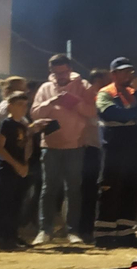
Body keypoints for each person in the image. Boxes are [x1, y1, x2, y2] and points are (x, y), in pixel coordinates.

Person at [30, 54, 97, 245]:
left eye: (63, 72)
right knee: (48, 189)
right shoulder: (45, 88)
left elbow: (92, 111)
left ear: (69, 69)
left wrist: (74, 102)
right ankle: (45, 230)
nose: (60, 76)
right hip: (50, 146)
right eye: (56, 72)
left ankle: (72, 231)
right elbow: (34, 113)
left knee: (73, 189)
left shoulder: (82, 85)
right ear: (51, 71)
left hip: (75, 145)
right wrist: (50, 103)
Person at [95, 57, 137, 248]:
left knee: (131, 190)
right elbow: (111, 113)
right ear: (114, 74)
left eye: (130, 71)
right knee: (110, 190)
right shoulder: (105, 93)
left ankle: (125, 234)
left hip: (134, 150)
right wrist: (136, 113)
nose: (129, 75)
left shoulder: (135, 93)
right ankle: (104, 235)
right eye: (124, 71)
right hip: (114, 150)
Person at [0, 94, 34, 250]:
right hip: (7, 168)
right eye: (19, 104)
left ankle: (12, 236)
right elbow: (0, 147)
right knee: (4, 205)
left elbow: (24, 148)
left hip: (18, 168)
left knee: (16, 204)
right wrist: (15, 164)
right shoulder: (7, 124)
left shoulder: (22, 125)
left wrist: (25, 164)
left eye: (25, 105)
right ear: (10, 106)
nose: (24, 108)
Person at [80, 69, 109, 239]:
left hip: (103, 148)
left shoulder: (108, 96)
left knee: (103, 189)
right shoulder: (87, 96)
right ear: (98, 80)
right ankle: (85, 229)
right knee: (89, 190)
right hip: (90, 148)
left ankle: (99, 227)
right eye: (106, 79)